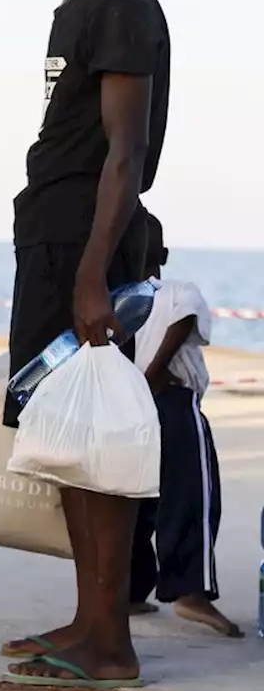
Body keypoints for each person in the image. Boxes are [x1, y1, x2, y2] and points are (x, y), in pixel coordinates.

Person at [0, 0, 170, 689]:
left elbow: (126, 152)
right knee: (64, 434)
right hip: (56, 239)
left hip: (82, 249)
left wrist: (94, 272)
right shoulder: (75, 8)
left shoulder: (120, 3)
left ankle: (111, 642)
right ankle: (91, 620)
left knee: (95, 443)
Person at [128, 213, 239, 638]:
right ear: (164, 255)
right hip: (170, 401)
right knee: (192, 495)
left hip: (129, 406)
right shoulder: (177, 290)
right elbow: (185, 320)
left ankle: (131, 590)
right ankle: (191, 593)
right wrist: (155, 376)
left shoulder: (114, 298)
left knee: (136, 500)